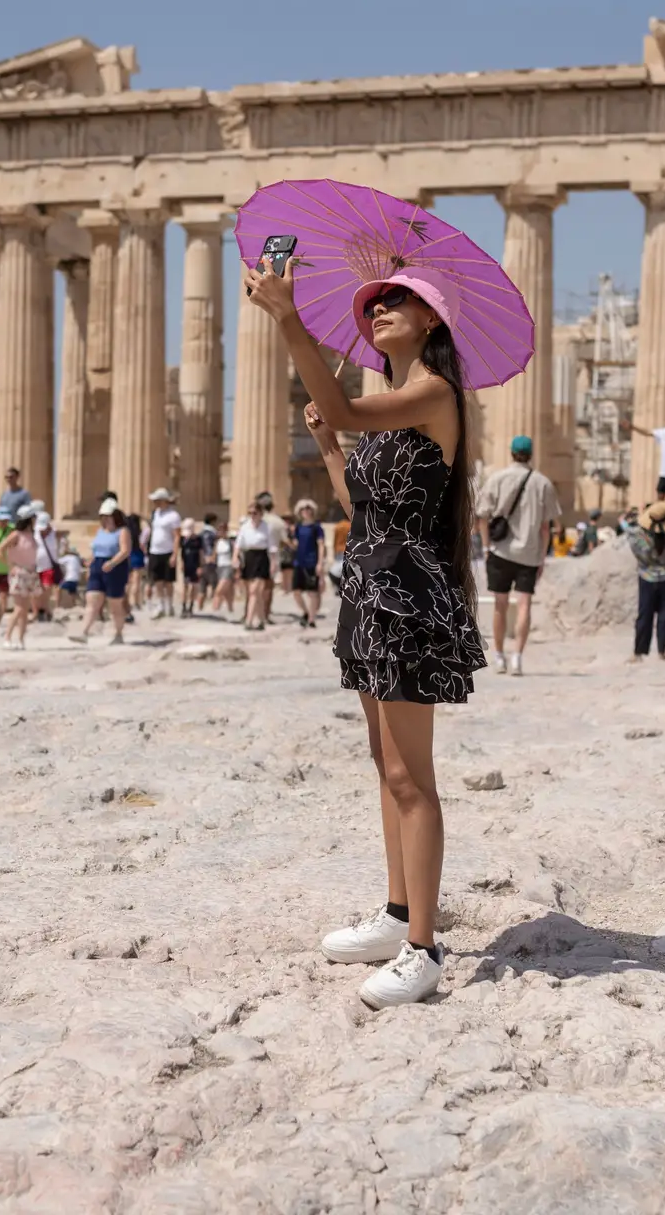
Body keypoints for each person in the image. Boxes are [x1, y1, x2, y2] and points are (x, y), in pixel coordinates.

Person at [248, 254, 485, 1010]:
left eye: (395, 300)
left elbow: (351, 413)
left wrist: (289, 317)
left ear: (431, 318)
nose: (377, 308)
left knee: (414, 777)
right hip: (369, 586)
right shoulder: (391, 403)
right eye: (372, 303)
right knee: (386, 765)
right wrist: (326, 442)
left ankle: (424, 948)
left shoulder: (435, 392)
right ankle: (395, 915)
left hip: (408, 595)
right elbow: (362, 496)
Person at [476, 434, 561, 676]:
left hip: (500, 551)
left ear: (511, 453)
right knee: (524, 605)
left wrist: (486, 547)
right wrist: (542, 557)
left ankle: (499, 657)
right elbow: (546, 527)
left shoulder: (497, 478)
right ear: (531, 455)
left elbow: (482, 517)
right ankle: (517, 658)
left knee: (500, 605)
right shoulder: (543, 483)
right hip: (529, 554)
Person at [626, 498, 665, 661]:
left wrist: (640, 514)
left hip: (646, 577)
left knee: (644, 614)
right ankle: (662, 651)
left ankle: (639, 652)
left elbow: (630, 530)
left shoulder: (639, 537)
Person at [74, 498, 133, 645]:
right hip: (97, 566)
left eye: (107, 516)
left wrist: (112, 563)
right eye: (103, 516)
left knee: (115, 604)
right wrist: (90, 564)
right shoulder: (100, 531)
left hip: (115, 567)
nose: (105, 519)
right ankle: (84, 632)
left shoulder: (122, 531)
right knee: (92, 600)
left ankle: (118, 634)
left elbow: (125, 550)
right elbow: (96, 550)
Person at [0, 505, 42, 649]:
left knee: (25, 608)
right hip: (19, 573)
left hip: (30, 572)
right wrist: (10, 566)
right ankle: (7, 637)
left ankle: (21, 640)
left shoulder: (31, 535)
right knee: (19, 607)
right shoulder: (16, 535)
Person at [233, 500, 274, 631]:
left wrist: (273, 564)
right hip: (249, 557)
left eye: (255, 513)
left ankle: (249, 620)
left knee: (254, 591)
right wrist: (235, 557)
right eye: (250, 513)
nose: (252, 515)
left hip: (261, 558)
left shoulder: (266, 527)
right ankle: (261, 619)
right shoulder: (245, 526)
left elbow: (272, 547)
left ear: (261, 514)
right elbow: (238, 544)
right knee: (255, 593)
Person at [291, 500, 329, 629]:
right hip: (299, 562)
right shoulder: (298, 527)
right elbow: (295, 544)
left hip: (312, 562)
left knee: (312, 592)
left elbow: (321, 545)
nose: (306, 511)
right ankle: (306, 612)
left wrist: (320, 563)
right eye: (303, 509)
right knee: (296, 591)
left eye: (308, 509)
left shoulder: (317, 528)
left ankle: (312, 619)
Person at [145, 488, 182, 619]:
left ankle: (169, 604)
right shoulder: (155, 514)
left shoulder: (173, 516)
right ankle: (160, 604)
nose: (154, 503)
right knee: (157, 580)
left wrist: (174, 554)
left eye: (157, 500)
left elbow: (177, 536)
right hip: (155, 551)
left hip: (167, 551)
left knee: (168, 581)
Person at [178, 518, 208, 617]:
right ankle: (183, 607)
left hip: (195, 565)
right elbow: (181, 552)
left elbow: (201, 553)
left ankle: (190, 606)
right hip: (186, 564)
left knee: (193, 586)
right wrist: (181, 563)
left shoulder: (198, 539)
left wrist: (200, 566)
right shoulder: (183, 539)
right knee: (185, 586)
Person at [210, 523, 238, 617]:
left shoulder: (230, 542)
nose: (220, 532)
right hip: (219, 567)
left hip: (228, 566)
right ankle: (231, 609)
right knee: (227, 591)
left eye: (222, 530)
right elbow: (214, 555)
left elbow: (235, 555)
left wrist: (237, 569)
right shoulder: (217, 542)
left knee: (219, 590)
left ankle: (215, 609)